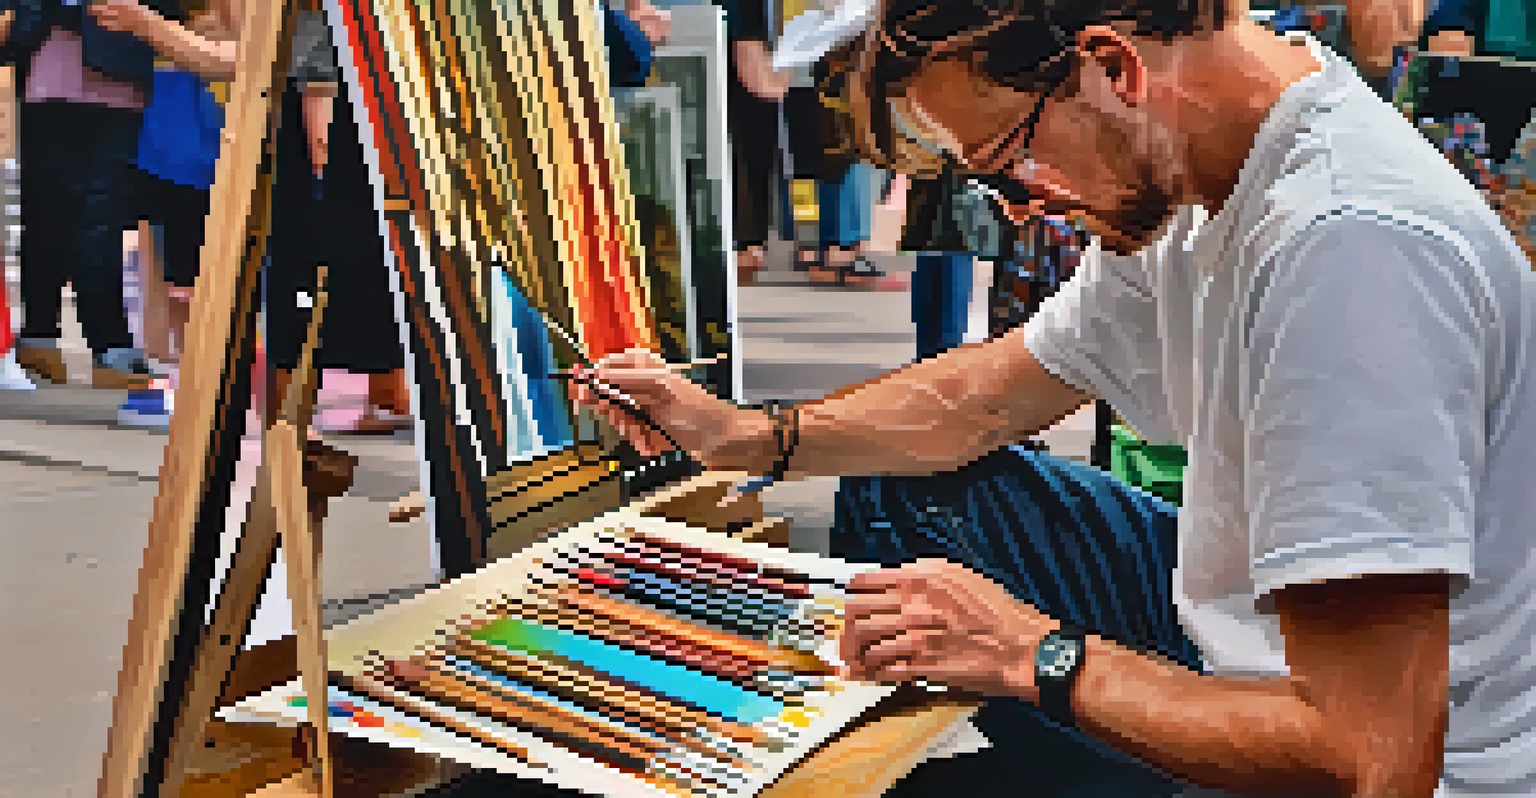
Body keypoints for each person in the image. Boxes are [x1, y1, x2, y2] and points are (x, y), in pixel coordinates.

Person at [571, 0, 1536, 795]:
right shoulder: (1204, 171)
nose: (1021, 206)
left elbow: (1371, 760)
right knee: (905, 496)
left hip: (1408, 760)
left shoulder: (1349, 249)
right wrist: (748, 436)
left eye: (1007, 165)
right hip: (1259, 633)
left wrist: (1037, 655)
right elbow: (986, 398)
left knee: (944, 731)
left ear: (1113, 68)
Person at [0, 0, 165, 390]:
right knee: (44, 210)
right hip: (46, 73)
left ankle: (107, 344)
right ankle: (42, 335)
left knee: (100, 213)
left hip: (119, 71)